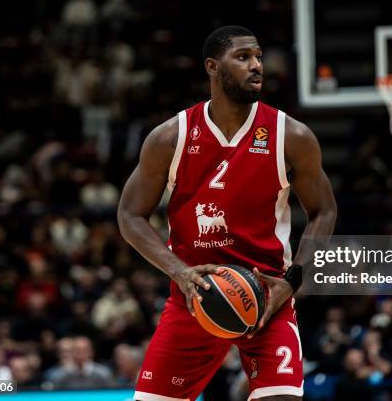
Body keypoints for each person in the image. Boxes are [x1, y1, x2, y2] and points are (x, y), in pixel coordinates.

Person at [118, 25, 337, 401]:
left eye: (258, 57)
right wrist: (180, 273)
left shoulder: (292, 136)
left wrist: (292, 280)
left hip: (268, 299)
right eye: (243, 57)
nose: (256, 66)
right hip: (193, 297)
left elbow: (324, 211)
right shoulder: (171, 137)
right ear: (212, 67)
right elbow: (129, 215)